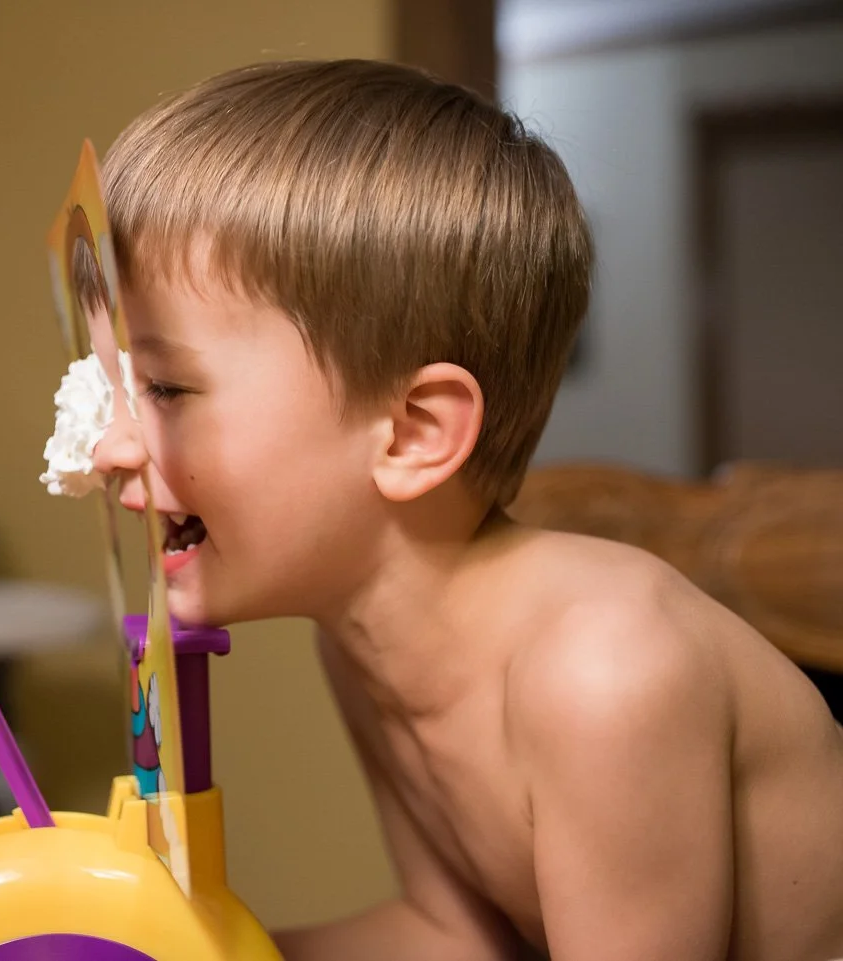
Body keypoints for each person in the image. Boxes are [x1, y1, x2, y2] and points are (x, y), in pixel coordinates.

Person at [82, 58, 843, 961]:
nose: (108, 448)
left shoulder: (603, 672)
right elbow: (455, 935)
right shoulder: (363, 638)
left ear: (410, 434)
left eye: (164, 388)